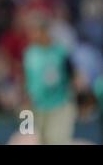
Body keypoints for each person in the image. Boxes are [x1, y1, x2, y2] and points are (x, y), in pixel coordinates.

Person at [23, 13, 77, 144]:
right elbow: (28, 80)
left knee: (57, 140)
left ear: (44, 31)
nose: (32, 35)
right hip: (38, 107)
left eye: (35, 31)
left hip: (60, 105)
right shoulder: (30, 53)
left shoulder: (60, 51)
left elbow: (73, 75)